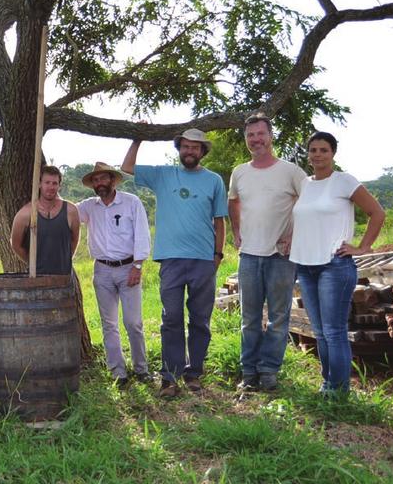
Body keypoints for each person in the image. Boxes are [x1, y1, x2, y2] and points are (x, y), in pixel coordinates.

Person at [122, 128, 227, 398]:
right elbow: (127, 167)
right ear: (179, 149)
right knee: (171, 319)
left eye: (195, 147)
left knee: (200, 320)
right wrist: (138, 137)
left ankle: (194, 374)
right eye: (185, 147)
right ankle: (169, 377)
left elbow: (219, 220)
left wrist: (218, 255)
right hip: (171, 260)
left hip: (204, 260)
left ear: (203, 151)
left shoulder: (214, 180)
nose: (189, 151)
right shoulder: (163, 175)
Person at [289, 131, 385, 395]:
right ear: (308, 154)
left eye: (324, 150)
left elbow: (377, 213)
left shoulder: (343, 181)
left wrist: (362, 247)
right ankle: (327, 384)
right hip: (304, 266)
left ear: (333, 154)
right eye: (313, 150)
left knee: (334, 331)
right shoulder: (305, 184)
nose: (318, 155)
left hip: (334, 265)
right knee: (319, 331)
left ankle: (340, 390)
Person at [228, 114, 306, 392]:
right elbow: (233, 202)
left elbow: (308, 205)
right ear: (246, 139)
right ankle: (249, 372)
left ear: (271, 136)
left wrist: (292, 234)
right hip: (249, 255)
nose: (256, 139)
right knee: (248, 318)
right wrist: (235, 231)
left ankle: (269, 370)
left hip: (281, 257)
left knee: (278, 317)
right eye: (251, 135)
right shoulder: (240, 172)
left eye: (261, 134)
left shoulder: (291, 172)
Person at [77, 162, 152, 385]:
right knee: (109, 324)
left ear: (112, 179)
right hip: (102, 270)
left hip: (129, 268)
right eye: (95, 180)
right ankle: (118, 372)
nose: (99, 184)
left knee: (133, 322)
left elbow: (142, 234)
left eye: (103, 179)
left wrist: (138, 266)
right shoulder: (89, 207)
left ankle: (141, 369)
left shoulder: (131, 202)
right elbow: (66, 212)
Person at [9, 165, 80, 275]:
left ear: (59, 186)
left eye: (54, 183)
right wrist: (32, 261)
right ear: (39, 184)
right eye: (47, 182)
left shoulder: (71, 211)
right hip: (36, 278)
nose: (51, 187)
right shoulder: (25, 214)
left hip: (64, 279)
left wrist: (65, 259)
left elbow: (74, 240)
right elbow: (15, 244)